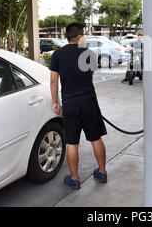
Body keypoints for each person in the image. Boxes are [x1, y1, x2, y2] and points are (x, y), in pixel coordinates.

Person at [49, 22, 108, 189]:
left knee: (72, 142)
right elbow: (91, 74)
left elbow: (54, 81)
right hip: (89, 102)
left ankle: (74, 178)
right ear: (80, 37)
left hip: (70, 104)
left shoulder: (57, 55)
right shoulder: (89, 53)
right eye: (85, 35)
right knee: (96, 138)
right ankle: (102, 172)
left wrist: (55, 102)